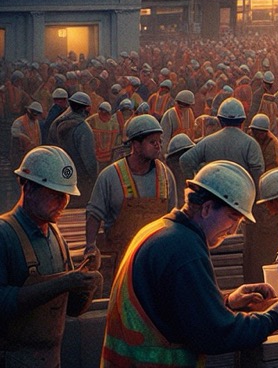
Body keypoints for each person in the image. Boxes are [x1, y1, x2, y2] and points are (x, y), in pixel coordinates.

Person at [100, 161, 278, 364]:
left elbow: (174, 306)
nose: (233, 231)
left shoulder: (160, 230)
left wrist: (226, 301)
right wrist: (273, 318)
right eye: (233, 218)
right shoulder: (184, 249)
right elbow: (214, 333)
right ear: (206, 208)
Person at [0, 146, 102, 367]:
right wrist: (63, 282)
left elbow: (73, 310)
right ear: (28, 187)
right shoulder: (4, 235)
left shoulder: (56, 237)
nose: (64, 202)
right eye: (55, 195)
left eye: (66, 195)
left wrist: (86, 282)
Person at [83, 115, 179, 287]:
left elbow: (173, 216)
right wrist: (90, 246)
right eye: (152, 141)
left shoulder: (166, 176)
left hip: (156, 259)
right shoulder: (111, 176)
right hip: (121, 260)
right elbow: (94, 213)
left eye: (159, 141)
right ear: (135, 145)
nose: (158, 145)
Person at [51, 90, 98, 197]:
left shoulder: (56, 123)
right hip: (79, 180)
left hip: (60, 176)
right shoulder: (83, 128)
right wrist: (94, 179)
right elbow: (89, 160)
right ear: (87, 108)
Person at [88, 101, 121, 168]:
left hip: (109, 156)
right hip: (95, 155)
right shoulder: (93, 119)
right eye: (102, 111)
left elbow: (117, 138)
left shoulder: (113, 123)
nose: (103, 113)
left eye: (106, 112)